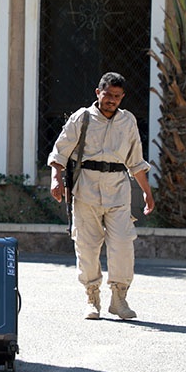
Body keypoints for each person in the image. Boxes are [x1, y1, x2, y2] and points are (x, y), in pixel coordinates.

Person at [47, 72, 155, 320]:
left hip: (118, 189)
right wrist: (56, 178)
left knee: (123, 246)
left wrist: (148, 193)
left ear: (122, 97)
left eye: (117, 96)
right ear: (98, 93)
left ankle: (119, 298)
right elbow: (60, 151)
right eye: (108, 95)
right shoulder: (82, 118)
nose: (112, 100)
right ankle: (92, 297)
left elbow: (136, 161)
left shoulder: (128, 122)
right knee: (87, 246)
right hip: (86, 190)